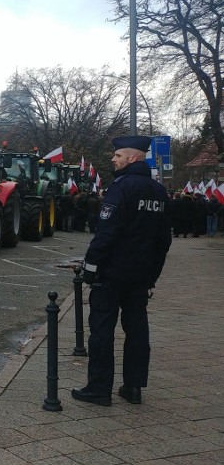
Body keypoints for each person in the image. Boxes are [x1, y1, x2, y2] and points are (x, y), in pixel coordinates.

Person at [72, 136, 172, 406]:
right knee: (137, 330)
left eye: (118, 156)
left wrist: (91, 268)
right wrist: (153, 275)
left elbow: (106, 233)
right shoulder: (158, 192)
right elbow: (164, 241)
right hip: (141, 276)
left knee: (102, 329)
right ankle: (133, 387)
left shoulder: (121, 188)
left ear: (133, 158)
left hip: (112, 273)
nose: (113, 159)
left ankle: (99, 388)